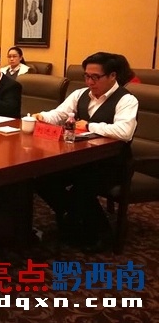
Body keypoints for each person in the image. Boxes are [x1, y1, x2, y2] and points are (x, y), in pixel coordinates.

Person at [33, 52, 138, 252]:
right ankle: (73, 219)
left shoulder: (126, 100)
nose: (89, 82)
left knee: (82, 188)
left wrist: (89, 125)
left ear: (112, 76)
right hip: (79, 158)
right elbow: (59, 114)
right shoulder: (80, 94)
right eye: (87, 76)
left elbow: (125, 132)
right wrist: (42, 117)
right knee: (41, 178)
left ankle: (100, 233)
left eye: (95, 77)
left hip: (111, 164)